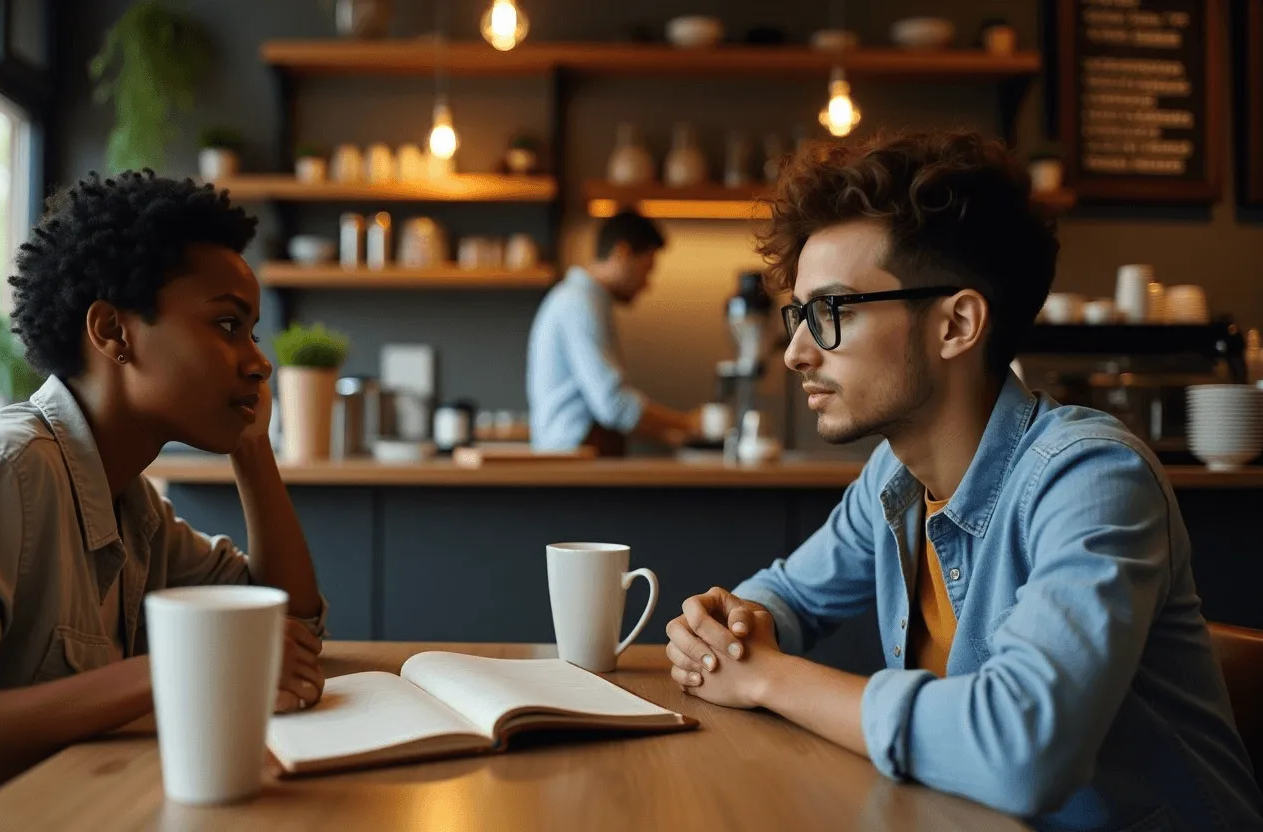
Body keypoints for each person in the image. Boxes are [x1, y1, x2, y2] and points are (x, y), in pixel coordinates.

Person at [664, 132, 1263, 830]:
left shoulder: (1093, 478)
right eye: (798, 315)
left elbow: (1023, 748)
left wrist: (763, 674)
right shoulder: (895, 477)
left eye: (831, 312)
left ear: (957, 324)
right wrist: (733, 625)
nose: (795, 351)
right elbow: (788, 594)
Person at [0, 172, 328, 832]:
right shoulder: (2, 473)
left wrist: (253, 450)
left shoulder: (129, 501)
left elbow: (289, 630)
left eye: (251, 333)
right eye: (227, 325)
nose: (259, 361)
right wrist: (167, 673)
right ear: (112, 331)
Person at [527, 210, 698, 455]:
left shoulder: (582, 301)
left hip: (574, 457)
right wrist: (689, 424)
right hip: (574, 461)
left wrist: (671, 432)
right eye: (646, 270)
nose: (646, 284)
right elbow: (613, 405)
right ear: (622, 253)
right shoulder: (579, 304)